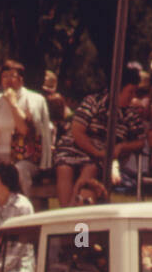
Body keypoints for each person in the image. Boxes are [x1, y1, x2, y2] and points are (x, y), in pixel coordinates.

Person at [52, 63, 145, 207]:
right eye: (130, 92)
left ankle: (73, 210)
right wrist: (95, 151)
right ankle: (67, 211)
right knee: (64, 167)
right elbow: (77, 130)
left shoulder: (131, 114)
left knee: (91, 168)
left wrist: (121, 147)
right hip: (76, 146)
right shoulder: (93, 101)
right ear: (117, 90)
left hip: (103, 154)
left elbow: (140, 142)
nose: (133, 96)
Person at [0, 60, 53, 197]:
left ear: (21, 79)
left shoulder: (34, 100)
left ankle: (21, 207)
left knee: (17, 172)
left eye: (12, 76)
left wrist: (12, 103)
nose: (8, 80)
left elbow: (25, 130)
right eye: (4, 76)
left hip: (25, 158)